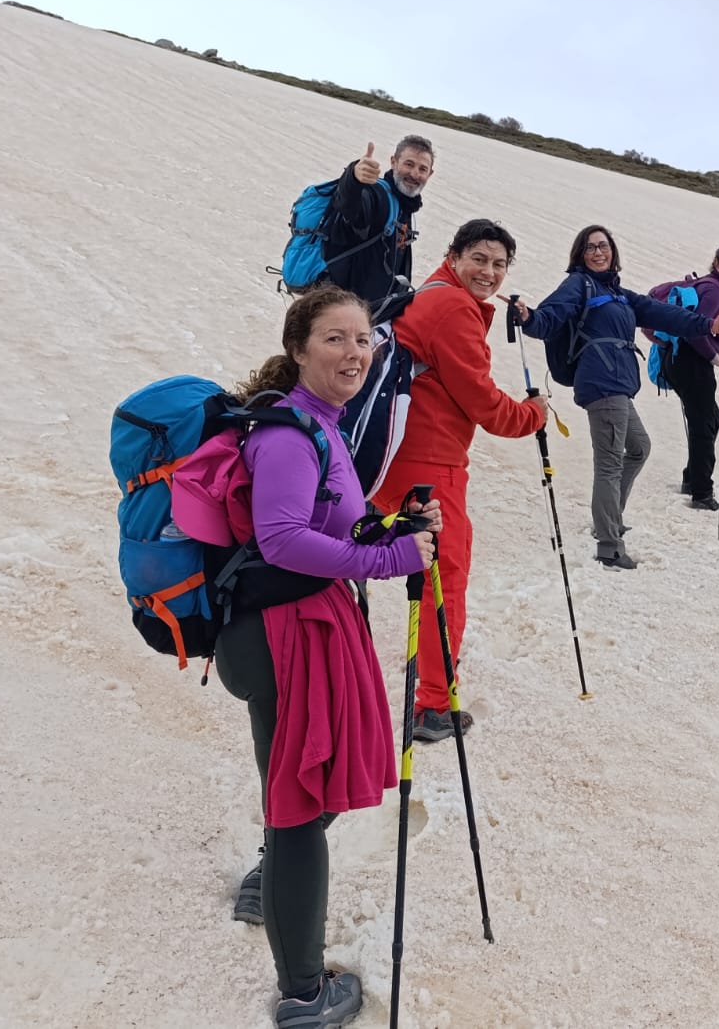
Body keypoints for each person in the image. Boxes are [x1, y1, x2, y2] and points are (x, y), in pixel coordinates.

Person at [216, 286, 440, 1029]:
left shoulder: (325, 426)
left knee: (303, 793)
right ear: (300, 348)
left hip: (295, 628)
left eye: (363, 340)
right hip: (288, 635)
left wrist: (391, 524)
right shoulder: (287, 433)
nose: (354, 353)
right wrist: (391, 558)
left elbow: (336, 521)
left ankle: (267, 885)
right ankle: (304, 994)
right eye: (335, 339)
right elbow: (283, 539)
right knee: (302, 809)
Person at [372, 220, 549, 741]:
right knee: (442, 581)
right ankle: (432, 704)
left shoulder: (430, 292)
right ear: (454, 255)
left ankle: (424, 684)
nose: (489, 272)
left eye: (499, 264)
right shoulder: (452, 308)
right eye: (479, 258)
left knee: (425, 575)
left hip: (396, 456)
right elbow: (486, 405)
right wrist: (533, 414)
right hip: (429, 464)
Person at [516, 225, 719, 569]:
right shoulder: (578, 284)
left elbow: (665, 314)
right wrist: (528, 318)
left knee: (639, 448)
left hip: (618, 385)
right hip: (601, 383)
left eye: (603, 246)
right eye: (590, 248)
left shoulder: (618, 294)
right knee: (609, 463)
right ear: (580, 255)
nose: (598, 252)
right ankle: (609, 544)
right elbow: (550, 317)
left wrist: (707, 325)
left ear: (613, 251)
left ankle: (610, 519)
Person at [660, 241, 719, 511]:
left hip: (678, 360)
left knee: (709, 419)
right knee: (704, 423)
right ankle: (701, 492)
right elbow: (694, 330)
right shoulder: (712, 290)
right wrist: (715, 357)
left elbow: (706, 330)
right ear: (718, 263)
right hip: (690, 363)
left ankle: (692, 479)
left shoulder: (711, 288)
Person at [322, 135, 436, 311]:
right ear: (393, 162)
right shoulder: (376, 194)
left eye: (422, 169)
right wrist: (353, 177)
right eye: (409, 164)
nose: (415, 174)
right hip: (340, 309)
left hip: (372, 315)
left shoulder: (406, 205)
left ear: (430, 174)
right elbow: (350, 207)